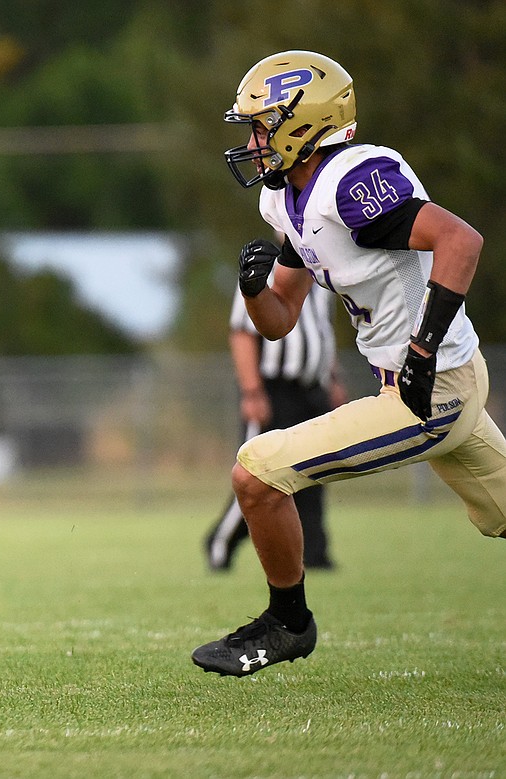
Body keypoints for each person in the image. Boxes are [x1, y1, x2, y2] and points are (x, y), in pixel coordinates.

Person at [192, 50, 506, 677]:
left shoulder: (353, 180)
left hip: (430, 387)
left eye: (260, 126)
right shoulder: (288, 199)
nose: (252, 143)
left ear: (300, 124)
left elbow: (460, 241)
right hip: (439, 380)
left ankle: (288, 623)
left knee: (256, 474)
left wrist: (421, 348)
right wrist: (255, 289)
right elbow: (280, 317)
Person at [204, 267, 346, 571]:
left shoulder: (322, 274)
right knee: (256, 473)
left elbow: (323, 332)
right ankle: (221, 540)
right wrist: (252, 391)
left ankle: (314, 553)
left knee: (313, 472)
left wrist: (332, 379)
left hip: (311, 388)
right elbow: (242, 333)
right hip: (273, 389)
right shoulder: (265, 272)